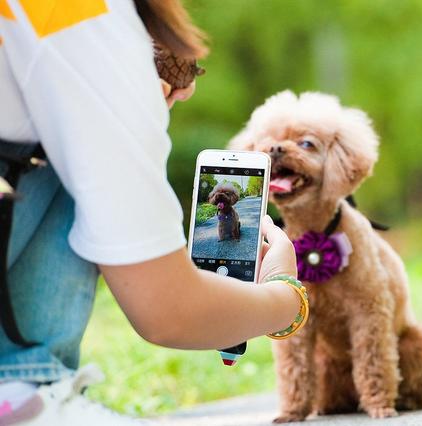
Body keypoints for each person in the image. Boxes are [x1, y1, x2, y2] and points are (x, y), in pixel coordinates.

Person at [0, 0, 303, 424]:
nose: (189, 88)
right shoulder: (87, 23)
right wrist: (288, 296)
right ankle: (28, 389)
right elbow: (169, 310)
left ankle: (19, 386)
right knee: (73, 139)